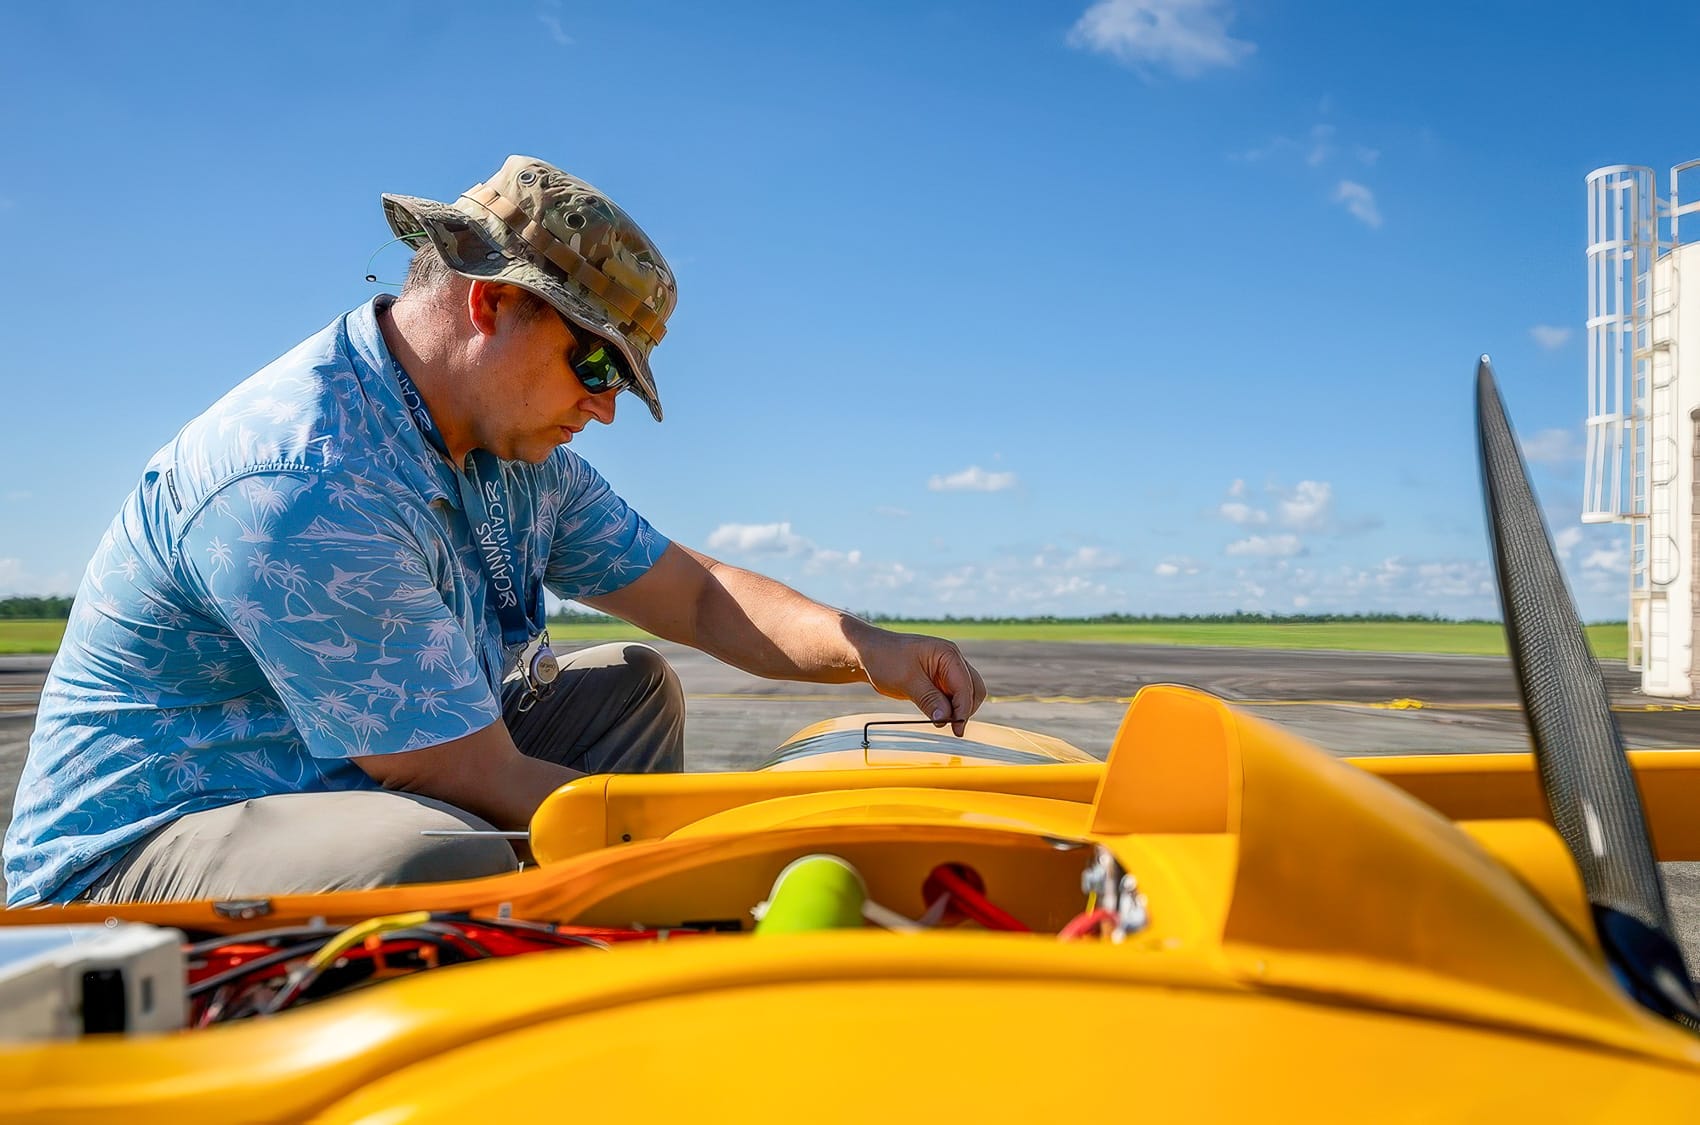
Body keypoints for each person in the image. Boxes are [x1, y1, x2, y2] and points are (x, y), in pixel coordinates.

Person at [4, 155, 986, 906]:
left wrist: (872, 652)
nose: (604, 409)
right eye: (596, 368)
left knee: (628, 690)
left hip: (350, 776)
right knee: (433, 853)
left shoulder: (511, 455)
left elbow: (693, 594)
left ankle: (594, 932)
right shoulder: (304, 472)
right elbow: (456, 768)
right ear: (493, 302)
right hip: (142, 853)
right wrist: (721, 842)